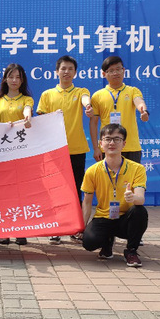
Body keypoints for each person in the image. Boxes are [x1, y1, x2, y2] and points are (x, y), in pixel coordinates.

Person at [36, 55, 91, 244]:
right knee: (55, 190)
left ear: (75, 72)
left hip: (76, 149)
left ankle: (75, 228)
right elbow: (42, 119)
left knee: (76, 190)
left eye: (70, 69)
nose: (66, 72)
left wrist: (87, 106)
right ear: (56, 71)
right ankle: (56, 228)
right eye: (63, 68)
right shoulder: (47, 95)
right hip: (54, 150)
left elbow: (86, 100)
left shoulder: (81, 91)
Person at [80, 124, 148, 267]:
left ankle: (131, 251)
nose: (112, 143)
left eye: (117, 139)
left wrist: (133, 198)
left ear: (124, 143)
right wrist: (82, 227)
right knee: (89, 243)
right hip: (103, 217)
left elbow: (140, 199)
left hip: (125, 220)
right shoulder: (92, 171)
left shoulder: (137, 169)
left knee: (140, 211)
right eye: (108, 139)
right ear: (101, 143)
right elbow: (87, 201)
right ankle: (107, 242)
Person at [0, 63, 33, 246]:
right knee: (3, 193)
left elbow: (27, 110)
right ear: (5, 79)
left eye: (18, 77)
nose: (14, 80)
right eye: (11, 76)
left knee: (20, 193)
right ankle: (4, 230)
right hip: (1, 154)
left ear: (22, 80)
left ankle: (20, 230)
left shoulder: (27, 100)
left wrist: (27, 117)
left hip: (21, 154)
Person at [87, 55, 149, 163]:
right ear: (104, 74)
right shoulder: (97, 96)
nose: (115, 73)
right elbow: (93, 123)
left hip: (131, 147)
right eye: (111, 71)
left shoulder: (132, 91)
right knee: (108, 175)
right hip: (108, 148)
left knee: (132, 174)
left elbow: (139, 101)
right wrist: (96, 148)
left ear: (123, 70)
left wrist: (143, 111)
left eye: (118, 69)